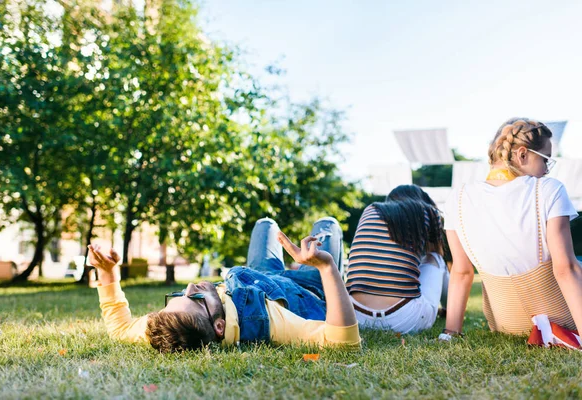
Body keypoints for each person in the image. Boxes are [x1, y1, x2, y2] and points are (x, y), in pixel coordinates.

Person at [90, 217, 360, 353]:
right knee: (327, 225)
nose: (191, 286)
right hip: (308, 286)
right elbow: (342, 342)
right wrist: (325, 267)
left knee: (265, 224)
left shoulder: (171, 326)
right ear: (219, 326)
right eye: (195, 297)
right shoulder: (268, 323)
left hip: (259, 274)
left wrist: (108, 272)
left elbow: (119, 328)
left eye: (178, 294)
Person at [440, 117, 582, 341]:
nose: (546, 170)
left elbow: (461, 272)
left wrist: (450, 333)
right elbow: (566, 269)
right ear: (522, 154)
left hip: (506, 324)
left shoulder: (456, 198)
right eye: (546, 160)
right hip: (563, 319)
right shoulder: (548, 189)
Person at [345, 184, 447, 333]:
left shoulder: (371, 209)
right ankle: (449, 309)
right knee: (435, 258)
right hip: (405, 320)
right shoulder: (428, 212)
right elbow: (436, 252)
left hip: (355, 316)